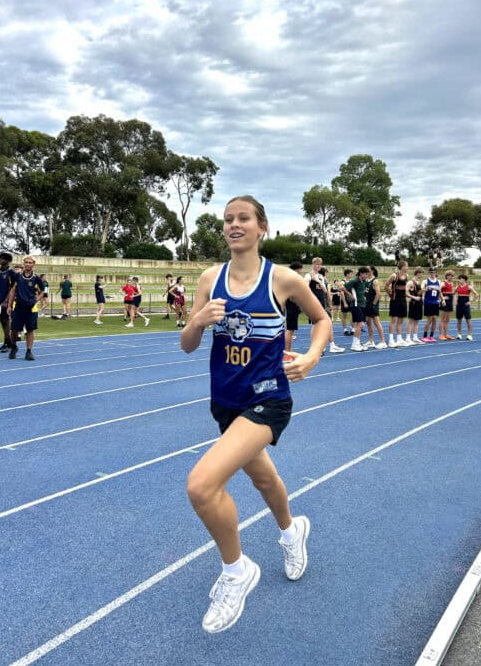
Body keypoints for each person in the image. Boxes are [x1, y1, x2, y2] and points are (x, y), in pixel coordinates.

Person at [180, 195, 331, 634]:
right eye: (228, 219)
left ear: (262, 227)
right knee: (262, 477)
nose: (234, 224)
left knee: (203, 485)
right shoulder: (210, 279)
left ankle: (236, 571)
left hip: (268, 399)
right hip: (225, 400)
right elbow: (187, 344)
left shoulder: (282, 279)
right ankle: (291, 530)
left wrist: (313, 356)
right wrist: (199, 321)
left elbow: (322, 320)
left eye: (243, 218)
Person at [6, 256, 44, 360]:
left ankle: (29, 351)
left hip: (31, 308)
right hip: (18, 307)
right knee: (14, 330)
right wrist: (9, 305)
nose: (28, 264)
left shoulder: (36, 278)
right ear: (23, 263)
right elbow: (12, 291)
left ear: (33, 264)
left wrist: (36, 300)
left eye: (30, 262)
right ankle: (14, 347)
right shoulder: (17, 276)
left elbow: (43, 292)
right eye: (26, 262)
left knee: (30, 330)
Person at [305, 257, 344, 353]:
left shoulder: (321, 277)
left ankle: (330, 345)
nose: (318, 266)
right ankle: (315, 347)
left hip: (322, 303)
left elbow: (326, 291)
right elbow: (304, 288)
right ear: (313, 264)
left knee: (327, 323)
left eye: (320, 264)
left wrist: (319, 282)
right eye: (316, 264)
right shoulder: (308, 275)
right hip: (313, 304)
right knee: (315, 325)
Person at [0, 252, 18, 353]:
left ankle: (7, 343)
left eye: (2, 258)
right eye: (0, 258)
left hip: (7, 301)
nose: (0, 260)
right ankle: (8, 342)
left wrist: (7, 301)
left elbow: (13, 287)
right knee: (2, 320)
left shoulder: (11, 273)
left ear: (7, 261)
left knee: (6, 320)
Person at [344, 266, 370, 352]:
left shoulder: (363, 282)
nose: (367, 275)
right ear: (361, 273)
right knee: (360, 324)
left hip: (362, 305)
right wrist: (350, 295)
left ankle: (357, 343)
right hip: (355, 305)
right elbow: (342, 287)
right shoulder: (354, 281)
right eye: (366, 274)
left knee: (361, 324)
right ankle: (354, 344)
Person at [384, 261, 409, 347]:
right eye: (407, 266)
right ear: (402, 267)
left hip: (403, 299)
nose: (408, 268)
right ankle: (391, 340)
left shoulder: (407, 276)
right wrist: (390, 295)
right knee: (393, 320)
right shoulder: (394, 276)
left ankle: (399, 339)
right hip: (395, 300)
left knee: (401, 320)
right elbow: (386, 286)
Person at [364, 266, 387, 349]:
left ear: (372, 271)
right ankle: (371, 341)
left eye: (368, 270)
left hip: (372, 305)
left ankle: (383, 341)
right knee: (368, 322)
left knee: (376, 322)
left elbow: (378, 294)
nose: (366, 271)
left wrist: (373, 304)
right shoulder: (366, 280)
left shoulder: (375, 281)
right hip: (366, 304)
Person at [284, 261, 304, 352]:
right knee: (290, 330)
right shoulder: (292, 279)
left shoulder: (289, 278)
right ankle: (287, 352)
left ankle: (288, 351)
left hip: (291, 306)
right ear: (296, 269)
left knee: (290, 330)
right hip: (292, 306)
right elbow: (291, 296)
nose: (302, 271)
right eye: (301, 269)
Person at [421, 268, 444, 343]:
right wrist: (426, 288)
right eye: (431, 272)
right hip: (428, 302)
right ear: (429, 273)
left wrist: (443, 299)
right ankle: (424, 336)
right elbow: (421, 288)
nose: (432, 273)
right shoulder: (425, 281)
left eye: (433, 272)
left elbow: (440, 292)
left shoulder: (439, 281)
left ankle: (431, 336)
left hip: (436, 303)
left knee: (434, 319)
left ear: (435, 273)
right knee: (429, 319)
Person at [454, 274, 479, 340]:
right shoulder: (457, 287)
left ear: (464, 279)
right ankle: (459, 334)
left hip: (466, 305)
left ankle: (469, 335)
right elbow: (453, 294)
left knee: (468, 320)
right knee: (459, 320)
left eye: (461, 279)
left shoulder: (469, 287)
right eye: (459, 279)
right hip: (459, 305)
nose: (459, 280)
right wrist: (455, 301)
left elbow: (476, 294)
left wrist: (471, 301)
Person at [405, 267, 425, 345]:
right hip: (413, 303)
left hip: (419, 303)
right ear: (418, 273)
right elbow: (405, 292)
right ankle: (407, 338)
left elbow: (418, 293)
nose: (422, 275)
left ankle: (415, 337)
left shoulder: (418, 282)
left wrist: (422, 292)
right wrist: (414, 297)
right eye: (421, 274)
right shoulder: (410, 282)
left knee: (417, 321)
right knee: (411, 321)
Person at [438, 271, 456, 340]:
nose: (452, 277)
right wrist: (443, 299)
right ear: (447, 276)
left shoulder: (451, 284)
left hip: (450, 303)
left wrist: (453, 302)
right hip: (444, 302)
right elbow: (439, 291)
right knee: (442, 319)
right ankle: (440, 335)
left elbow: (452, 293)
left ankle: (446, 334)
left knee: (447, 320)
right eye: (451, 276)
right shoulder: (443, 283)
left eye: (452, 276)